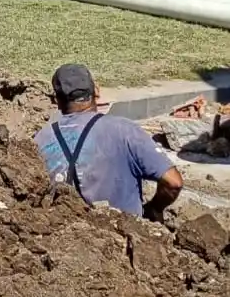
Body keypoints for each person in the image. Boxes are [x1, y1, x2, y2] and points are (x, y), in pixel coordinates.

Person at [35, 64, 184, 222]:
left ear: (56, 100)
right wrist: (154, 209)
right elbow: (173, 182)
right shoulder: (124, 131)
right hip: (122, 238)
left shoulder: (39, 140)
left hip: (63, 238)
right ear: (97, 91)